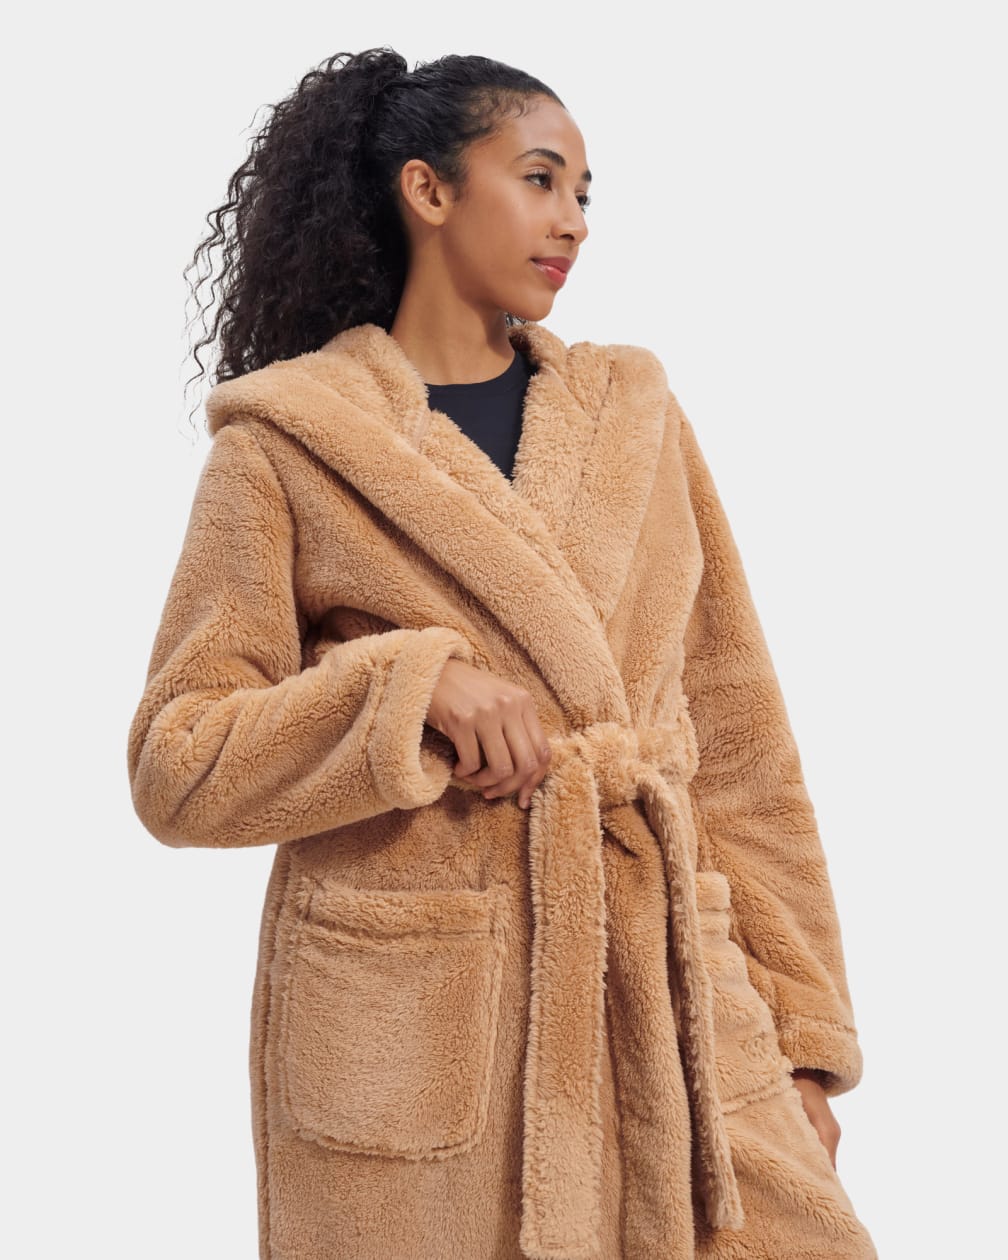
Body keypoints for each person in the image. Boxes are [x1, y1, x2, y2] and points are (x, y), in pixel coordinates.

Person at [126, 47, 878, 1260]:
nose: (572, 221)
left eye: (585, 193)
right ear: (428, 190)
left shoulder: (637, 416)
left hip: (671, 1000)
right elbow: (180, 761)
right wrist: (403, 692)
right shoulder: (289, 442)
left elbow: (743, 738)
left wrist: (800, 1041)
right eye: (538, 180)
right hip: (423, 1017)